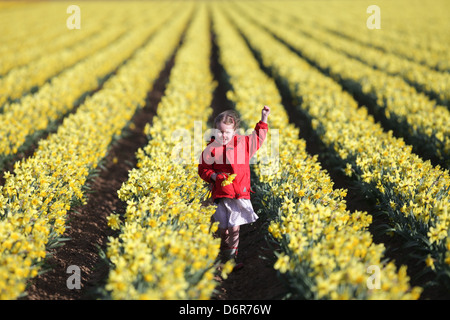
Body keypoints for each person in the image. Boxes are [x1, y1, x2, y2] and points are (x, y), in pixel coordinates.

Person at [198, 106, 270, 270]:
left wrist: (263, 119)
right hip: (221, 193)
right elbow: (203, 169)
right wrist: (214, 176)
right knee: (223, 229)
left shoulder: (243, 144)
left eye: (227, 133)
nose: (223, 135)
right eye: (220, 132)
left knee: (234, 225)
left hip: (238, 194)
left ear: (234, 131)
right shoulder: (211, 149)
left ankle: (231, 260)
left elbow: (258, 138)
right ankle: (224, 254)